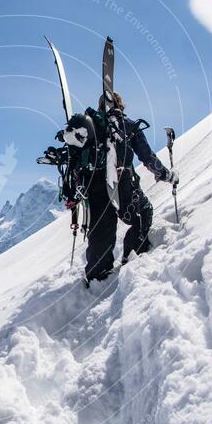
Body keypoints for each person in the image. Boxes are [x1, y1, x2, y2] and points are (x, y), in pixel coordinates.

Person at [52, 92, 178, 285]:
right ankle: (132, 257)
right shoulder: (127, 126)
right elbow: (147, 157)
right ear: (121, 106)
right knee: (143, 214)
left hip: (94, 189)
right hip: (123, 185)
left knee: (100, 232)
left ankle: (97, 277)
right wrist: (166, 175)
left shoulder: (90, 132)